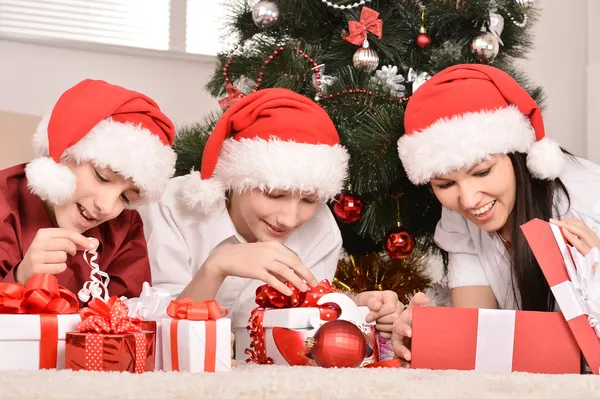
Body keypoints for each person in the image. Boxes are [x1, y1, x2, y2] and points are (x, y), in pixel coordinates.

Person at [141, 88, 402, 338]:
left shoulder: (321, 229)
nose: (289, 219)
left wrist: (356, 308)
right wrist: (214, 268)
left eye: (310, 199)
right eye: (274, 194)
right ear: (236, 177)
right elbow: (154, 331)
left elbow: (308, 325)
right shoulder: (172, 206)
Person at [390, 64, 600, 360]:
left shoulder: (589, 202)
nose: (469, 199)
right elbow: (475, 329)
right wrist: (427, 335)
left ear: (519, 157)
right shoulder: (458, 213)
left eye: (482, 172)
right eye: (445, 183)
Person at [0, 79, 176, 303]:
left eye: (125, 197)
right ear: (63, 153)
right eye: (102, 178)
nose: (107, 206)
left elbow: (135, 323)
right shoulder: (4, 204)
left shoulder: (124, 230)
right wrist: (19, 278)